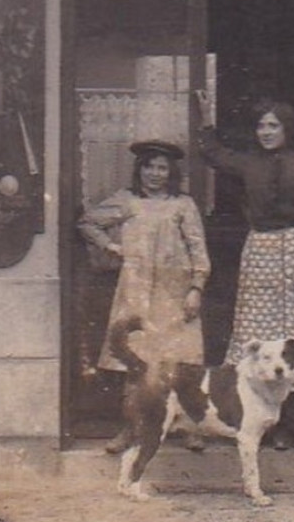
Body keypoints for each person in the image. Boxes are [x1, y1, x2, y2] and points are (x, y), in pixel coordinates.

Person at [194, 90, 294, 449]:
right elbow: (213, 154)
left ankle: (291, 427)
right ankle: (250, 421)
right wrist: (207, 118)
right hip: (258, 251)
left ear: (287, 129)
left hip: (293, 252)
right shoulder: (248, 164)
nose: (266, 132)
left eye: (273, 125)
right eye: (261, 126)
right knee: (256, 336)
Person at [80, 140, 211, 455]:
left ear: (171, 172)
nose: (155, 174)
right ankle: (131, 428)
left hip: (175, 293)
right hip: (137, 293)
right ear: (140, 170)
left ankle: (188, 428)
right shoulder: (127, 202)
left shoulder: (183, 205)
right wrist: (111, 247)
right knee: (137, 363)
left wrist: (196, 288)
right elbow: (87, 222)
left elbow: (198, 250)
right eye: (149, 167)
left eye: (162, 167)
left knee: (181, 361)